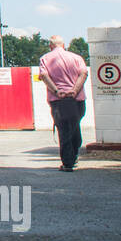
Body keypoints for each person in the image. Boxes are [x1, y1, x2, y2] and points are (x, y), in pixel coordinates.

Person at [38, 35, 88, 171]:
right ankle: (74, 155)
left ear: (50, 46)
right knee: (74, 125)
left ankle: (68, 162)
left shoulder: (45, 58)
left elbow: (43, 75)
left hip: (58, 101)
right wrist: (74, 90)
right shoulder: (77, 58)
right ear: (64, 45)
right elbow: (83, 73)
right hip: (77, 100)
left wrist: (56, 91)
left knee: (64, 130)